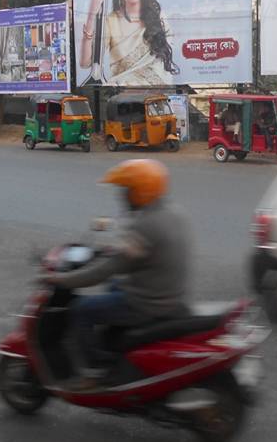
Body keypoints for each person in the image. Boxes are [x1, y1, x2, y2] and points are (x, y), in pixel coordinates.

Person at [46, 159, 190, 386]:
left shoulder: (147, 224)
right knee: (113, 286)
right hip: (166, 292)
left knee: (80, 310)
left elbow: (105, 270)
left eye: (127, 191)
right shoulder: (172, 212)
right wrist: (113, 251)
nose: (122, 196)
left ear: (140, 192)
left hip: (147, 302)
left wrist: (61, 279)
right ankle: (114, 346)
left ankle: (95, 369)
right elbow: (138, 253)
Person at [79, 0, 180, 86]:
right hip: (125, 102)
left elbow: (164, 70)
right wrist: (91, 16)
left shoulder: (159, 17)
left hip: (159, 98)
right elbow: (85, 63)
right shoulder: (111, 22)